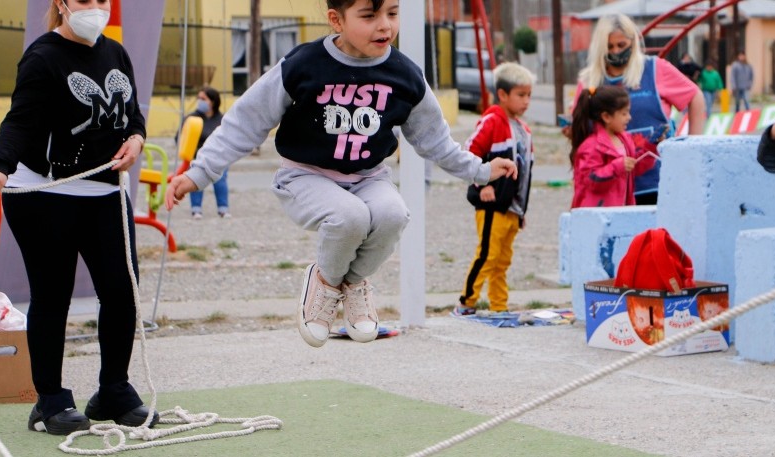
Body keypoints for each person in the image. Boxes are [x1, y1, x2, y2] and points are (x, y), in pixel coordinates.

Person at [164, 0, 516, 347]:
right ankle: (324, 283)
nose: (385, 25)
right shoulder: (303, 65)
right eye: (370, 15)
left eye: (392, 14)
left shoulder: (405, 75)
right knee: (349, 218)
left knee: (394, 214)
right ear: (336, 20)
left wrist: (481, 171)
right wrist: (199, 173)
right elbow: (246, 122)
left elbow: (435, 141)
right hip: (305, 176)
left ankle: (353, 284)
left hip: (369, 177)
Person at [0, 0, 158, 436]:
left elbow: (131, 115)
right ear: (61, 4)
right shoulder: (42, 57)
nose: (95, 7)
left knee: (122, 291)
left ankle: (113, 390)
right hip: (44, 192)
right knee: (53, 293)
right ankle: (50, 400)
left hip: (103, 191)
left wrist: (136, 138)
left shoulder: (115, 52)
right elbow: (19, 120)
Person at [570, 14, 705, 205]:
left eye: (621, 45)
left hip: (658, 180)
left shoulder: (654, 69)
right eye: (609, 47)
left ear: (633, 42)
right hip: (611, 187)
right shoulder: (589, 81)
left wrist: (692, 147)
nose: (616, 51)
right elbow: (578, 126)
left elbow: (694, 96)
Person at [453, 62, 535, 316]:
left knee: (502, 261)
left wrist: (521, 210)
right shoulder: (491, 121)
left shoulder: (524, 130)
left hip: (511, 207)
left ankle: (500, 305)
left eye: (529, 95)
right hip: (491, 203)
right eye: (521, 95)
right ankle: (466, 302)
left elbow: (524, 174)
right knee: (487, 255)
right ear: (502, 94)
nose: (527, 101)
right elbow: (469, 153)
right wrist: (483, 183)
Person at [569, 86, 656, 209]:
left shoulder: (625, 139)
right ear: (606, 117)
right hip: (597, 215)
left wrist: (651, 147)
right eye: (624, 113)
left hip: (622, 211)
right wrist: (617, 167)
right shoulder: (591, 146)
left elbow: (634, 167)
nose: (629, 117)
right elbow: (591, 180)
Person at [185, 87, 229, 219]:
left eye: (203, 99)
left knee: (220, 181)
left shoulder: (223, 120)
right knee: (196, 181)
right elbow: (181, 137)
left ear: (213, 101)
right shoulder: (192, 118)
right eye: (198, 98)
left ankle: (223, 209)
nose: (200, 101)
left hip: (219, 158)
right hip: (197, 157)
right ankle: (196, 209)